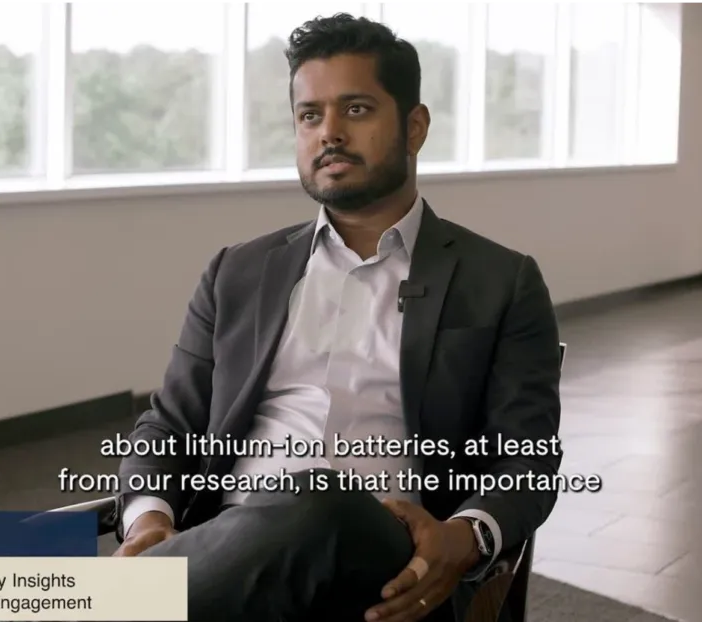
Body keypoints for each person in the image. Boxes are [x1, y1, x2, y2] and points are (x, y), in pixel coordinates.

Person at [112, 13, 563, 622]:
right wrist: (151, 517)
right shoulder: (238, 272)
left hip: (393, 565)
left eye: (355, 110)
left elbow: (528, 458)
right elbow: (168, 424)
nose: (328, 133)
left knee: (319, 497)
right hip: (232, 552)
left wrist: (466, 535)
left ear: (415, 127)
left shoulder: (500, 281)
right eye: (309, 115)